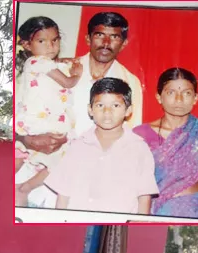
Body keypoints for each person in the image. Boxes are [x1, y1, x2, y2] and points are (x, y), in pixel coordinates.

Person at [15, 11, 142, 209]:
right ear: (88, 38)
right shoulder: (61, 67)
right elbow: (20, 106)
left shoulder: (130, 82)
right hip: (31, 179)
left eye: (115, 37)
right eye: (100, 35)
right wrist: (25, 139)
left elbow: (128, 138)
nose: (106, 43)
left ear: (123, 43)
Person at [44, 77, 158, 214]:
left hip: (118, 225)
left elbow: (144, 195)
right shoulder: (77, 146)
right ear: (90, 110)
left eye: (116, 105)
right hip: (78, 223)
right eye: (100, 105)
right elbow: (63, 193)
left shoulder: (139, 148)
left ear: (128, 110)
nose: (107, 111)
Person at [133, 67, 198, 219]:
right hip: (156, 212)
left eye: (186, 93)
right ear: (159, 97)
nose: (179, 99)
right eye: (171, 92)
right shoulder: (140, 134)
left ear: (196, 98)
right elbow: (135, 186)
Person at [14, 16, 83, 207]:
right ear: (27, 44)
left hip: (43, 122)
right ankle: (21, 188)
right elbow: (68, 82)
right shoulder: (37, 62)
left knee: (52, 158)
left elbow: (55, 67)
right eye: (42, 41)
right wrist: (77, 72)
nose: (51, 46)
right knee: (59, 156)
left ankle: (22, 189)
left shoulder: (42, 63)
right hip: (40, 122)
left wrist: (66, 62)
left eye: (55, 40)